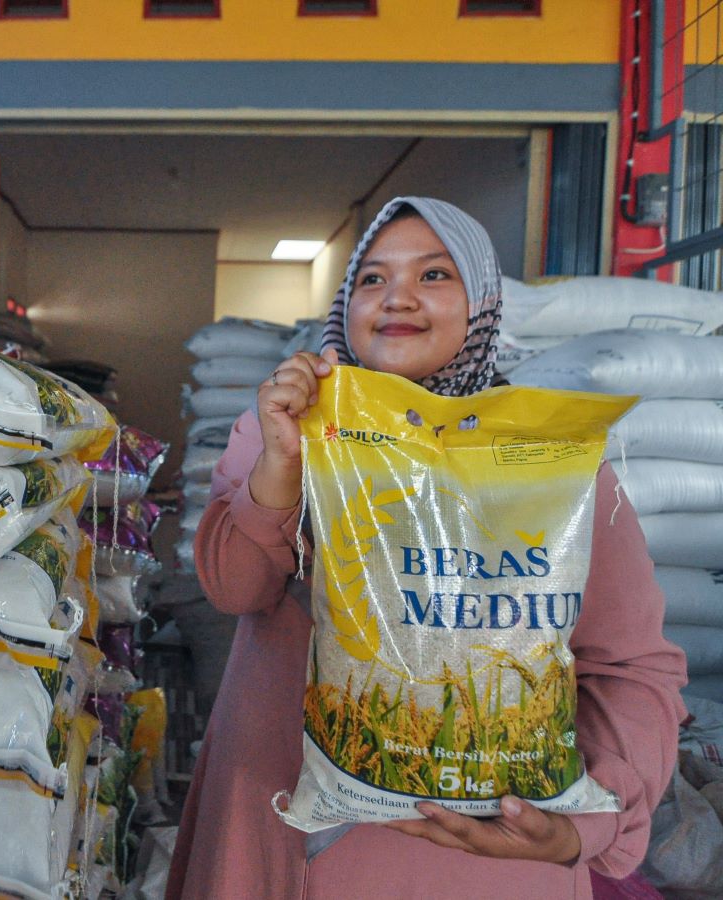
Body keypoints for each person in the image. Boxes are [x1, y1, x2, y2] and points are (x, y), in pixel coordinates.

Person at [166, 197, 688, 899]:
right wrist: (283, 465)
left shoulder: (549, 466)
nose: (398, 298)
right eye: (372, 279)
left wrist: (581, 829)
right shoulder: (280, 428)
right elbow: (235, 589)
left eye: (435, 275)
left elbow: (629, 668)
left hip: (468, 863)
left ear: (482, 306)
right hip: (276, 825)